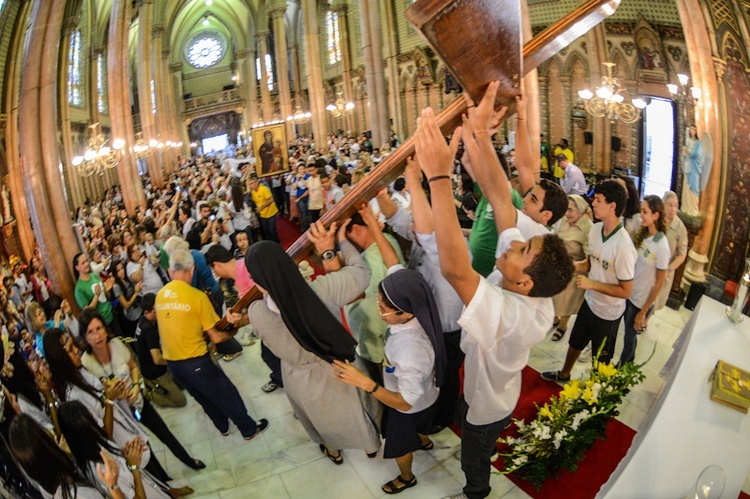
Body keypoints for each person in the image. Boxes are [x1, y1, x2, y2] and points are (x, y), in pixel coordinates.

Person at [412, 82, 574, 499]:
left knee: (474, 450)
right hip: (478, 381)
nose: (512, 241)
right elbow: (502, 197)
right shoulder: (526, 269)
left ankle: (476, 492)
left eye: (520, 249)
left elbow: (455, 269)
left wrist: (438, 178)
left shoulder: (516, 316)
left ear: (524, 283)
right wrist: (479, 132)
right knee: (466, 406)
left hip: (491, 404)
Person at [244, 230, 383, 465]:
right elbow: (361, 274)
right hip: (338, 368)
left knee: (321, 418)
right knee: (356, 412)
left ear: (258, 281)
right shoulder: (322, 290)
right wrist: (338, 244)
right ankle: (369, 448)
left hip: (299, 377)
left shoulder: (256, 313)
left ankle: (334, 452)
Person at [333, 269, 447, 495]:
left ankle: (407, 477)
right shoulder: (420, 314)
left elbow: (405, 404)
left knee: (399, 445)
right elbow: (397, 270)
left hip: (406, 406)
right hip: (429, 393)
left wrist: (367, 384)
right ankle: (424, 441)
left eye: (383, 309)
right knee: (424, 422)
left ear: (404, 313)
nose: (379, 311)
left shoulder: (410, 350)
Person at [155, 248, 268, 440]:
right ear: (191, 271)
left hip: (173, 366)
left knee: (203, 398)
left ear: (171, 272)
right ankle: (249, 430)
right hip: (196, 362)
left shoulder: (160, 296)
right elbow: (216, 337)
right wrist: (234, 328)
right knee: (227, 393)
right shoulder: (197, 297)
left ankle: (222, 427)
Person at [78, 308, 205, 472]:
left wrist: (136, 387)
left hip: (136, 400)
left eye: (99, 329)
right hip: (121, 416)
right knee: (143, 447)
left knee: (163, 432)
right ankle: (164, 479)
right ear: (85, 337)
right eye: (90, 332)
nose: (97, 336)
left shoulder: (116, 344)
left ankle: (188, 460)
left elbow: (133, 367)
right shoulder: (86, 363)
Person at [42, 328, 170, 483]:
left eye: (73, 344)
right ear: (60, 358)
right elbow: (103, 435)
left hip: (128, 431)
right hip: (123, 446)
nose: (76, 350)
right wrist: (109, 400)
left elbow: (102, 396)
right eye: (70, 349)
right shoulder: (73, 396)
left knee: (156, 474)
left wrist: (113, 392)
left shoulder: (81, 372)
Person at [542, 179, 637, 381]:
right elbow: (590, 263)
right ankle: (564, 373)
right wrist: (570, 266)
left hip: (608, 313)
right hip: (590, 302)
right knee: (575, 342)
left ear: (612, 206)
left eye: (598, 200)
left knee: (600, 360)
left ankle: (594, 394)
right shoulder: (595, 230)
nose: (592, 203)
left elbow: (626, 291)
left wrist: (592, 284)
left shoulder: (623, 246)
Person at [56, 401, 175, 499]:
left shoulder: (98, 443)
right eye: (88, 416)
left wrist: (127, 456)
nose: (94, 417)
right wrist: (134, 467)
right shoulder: (98, 469)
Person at [205, 245, 282, 393]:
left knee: (273, 357)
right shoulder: (240, 272)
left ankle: (287, 384)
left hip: (277, 323)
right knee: (269, 356)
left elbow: (266, 302)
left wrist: (242, 319)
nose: (215, 273)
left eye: (213, 269)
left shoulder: (247, 270)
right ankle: (280, 379)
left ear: (217, 264)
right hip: (268, 324)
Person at [344, 212, 406, 383]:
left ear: (356, 229)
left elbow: (372, 292)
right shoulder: (385, 239)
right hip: (383, 333)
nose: (345, 245)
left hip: (377, 339)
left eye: (345, 238)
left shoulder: (373, 257)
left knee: (379, 378)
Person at [10, 413, 125, 499]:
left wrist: (67, 457)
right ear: (45, 446)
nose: (50, 431)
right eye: (44, 431)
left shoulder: (57, 488)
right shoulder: (77, 494)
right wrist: (113, 485)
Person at [618, 196, 669, 365]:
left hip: (641, 301)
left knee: (628, 338)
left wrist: (643, 311)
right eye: (641, 210)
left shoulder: (662, 246)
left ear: (656, 215)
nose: (641, 215)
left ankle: (622, 368)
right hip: (630, 292)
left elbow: (659, 283)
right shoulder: (644, 234)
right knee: (627, 334)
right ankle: (628, 362)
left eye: (645, 212)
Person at [551, 195, 593, 341]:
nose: (567, 213)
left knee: (567, 301)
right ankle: (554, 318)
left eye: (570, 210)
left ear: (580, 211)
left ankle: (563, 325)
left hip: (574, 270)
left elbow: (589, 257)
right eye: (566, 209)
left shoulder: (587, 228)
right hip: (558, 265)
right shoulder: (563, 220)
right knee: (553, 296)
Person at [134, 293, 187, 408]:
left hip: (151, 364)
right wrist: (175, 361)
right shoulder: (149, 330)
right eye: (156, 310)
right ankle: (149, 393)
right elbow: (157, 359)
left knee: (184, 384)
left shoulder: (144, 320)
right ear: (147, 312)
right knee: (181, 401)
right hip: (156, 373)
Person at [653, 191, 688, 311]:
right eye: (670, 205)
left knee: (656, 301)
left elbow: (682, 254)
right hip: (650, 264)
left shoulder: (680, 227)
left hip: (665, 270)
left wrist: (669, 269)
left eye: (676, 206)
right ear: (663, 205)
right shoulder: (656, 219)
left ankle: (645, 322)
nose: (673, 209)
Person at [73, 253, 122, 337]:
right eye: (83, 263)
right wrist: (96, 295)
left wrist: (107, 289)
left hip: (111, 314)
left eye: (86, 261)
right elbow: (87, 312)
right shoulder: (79, 289)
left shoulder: (95, 276)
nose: (86, 264)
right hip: (101, 323)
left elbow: (107, 297)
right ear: (77, 267)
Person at [111, 260, 143, 338]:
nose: (122, 271)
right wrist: (135, 293)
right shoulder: (117, 286)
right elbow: (126, 305)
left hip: (139, 308)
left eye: (122, 268)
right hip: (132, 315)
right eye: (118, 270)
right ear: (115, 273)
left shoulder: (127, 279)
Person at [248, 176, 280, 244]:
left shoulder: (263, 189)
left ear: (257, 183)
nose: (251, 185)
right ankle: (269, 244)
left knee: (272, 230)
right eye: (250, 184)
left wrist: (261, 208)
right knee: (265, 231)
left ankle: (277, 244)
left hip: (271, 212)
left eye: (252, 183)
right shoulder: (253, 192)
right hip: (263, 214)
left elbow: (271, 199)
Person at [681, 125, 702, 216]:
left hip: (694, 169)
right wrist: (684, 152)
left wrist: (688, 150)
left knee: (694, 187)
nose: (692, 131)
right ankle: (685, 207)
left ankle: (693, 209)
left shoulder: (698, 143)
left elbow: (697, 154)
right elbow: (684, 155)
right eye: (691, 129)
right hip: (688, 166)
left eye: (694, 129)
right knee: (686, 187)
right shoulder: (688, 141)